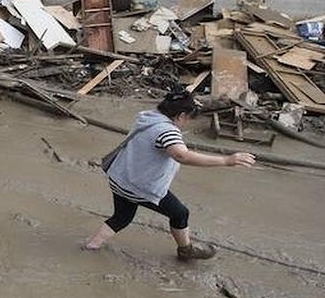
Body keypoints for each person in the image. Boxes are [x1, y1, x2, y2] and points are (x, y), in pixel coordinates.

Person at [84, 88, 255, 261]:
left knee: (121, 217)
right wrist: (226, 160)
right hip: (138, 187)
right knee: (180, 213)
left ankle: (91, 246)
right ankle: (186, 250)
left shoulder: (148, 117)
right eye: (188, 118)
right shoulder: (167, 131)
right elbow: (182, 155)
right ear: (181, 115)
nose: (187, 123)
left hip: (120, 179)